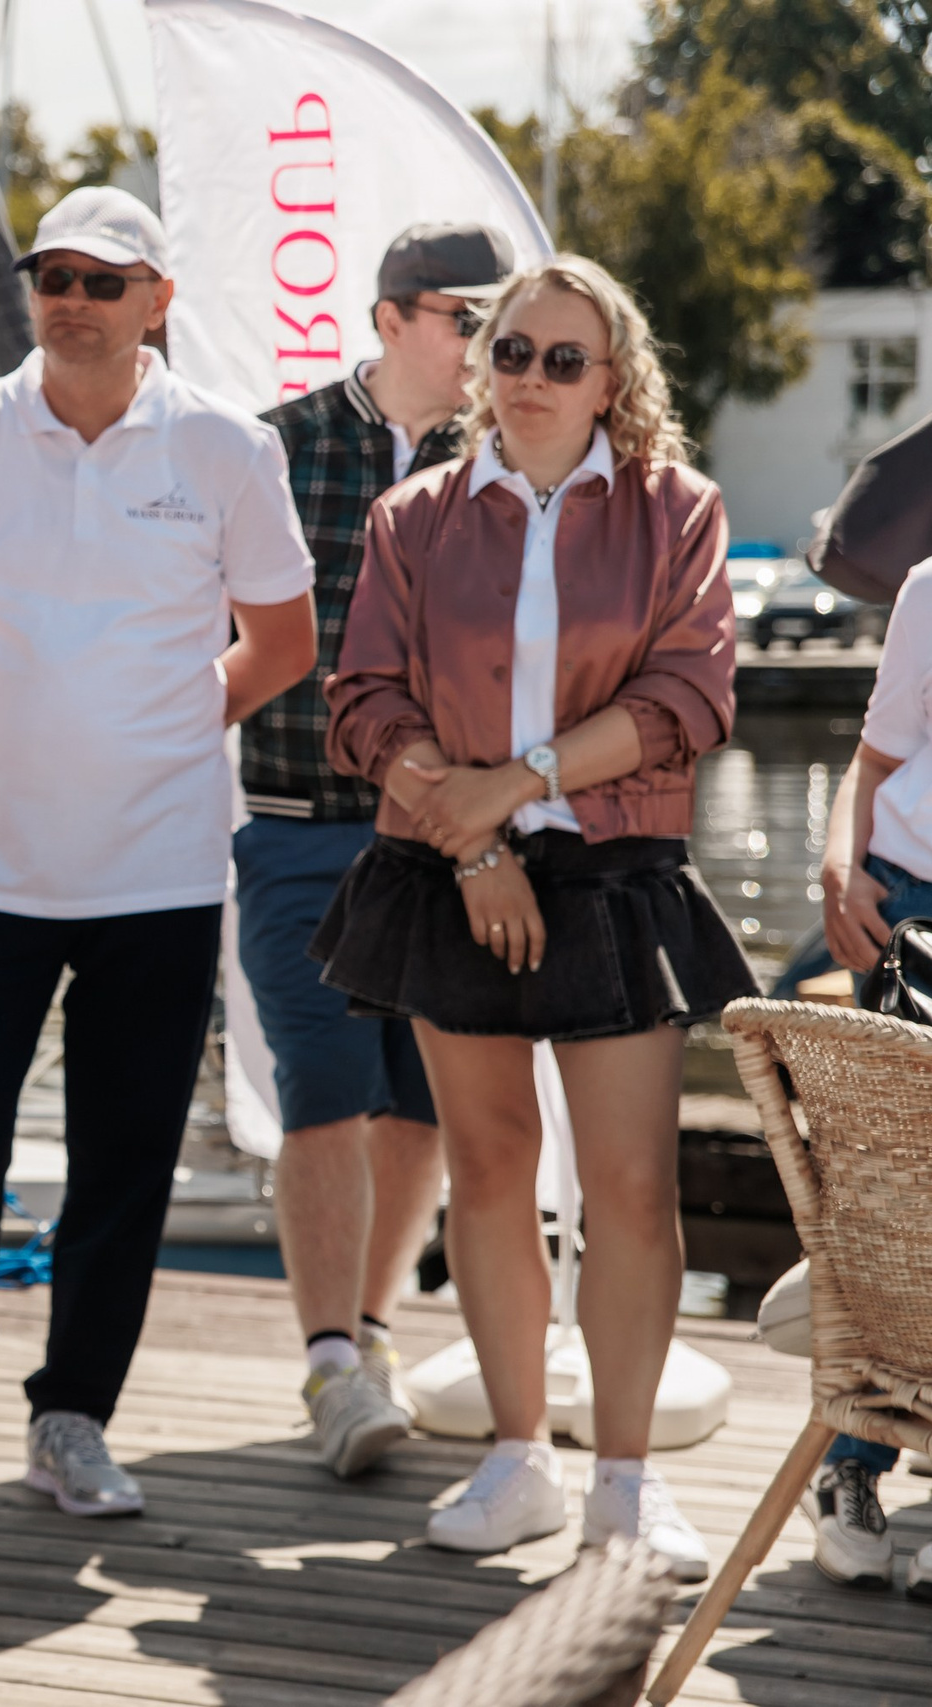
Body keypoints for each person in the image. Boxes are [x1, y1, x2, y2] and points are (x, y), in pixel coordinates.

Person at [0, 186, 319, 1524]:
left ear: (159, 299)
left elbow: (283, 644)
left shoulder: (225, 447)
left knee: (125, 1155)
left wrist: (169, 715)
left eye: (106, 280)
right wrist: (9, 728)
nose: (74, 297)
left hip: (160, 869)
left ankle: (73, 1418)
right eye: (55, 273)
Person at [316, 254, 755, 1579]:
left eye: (565, 359)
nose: (532, 380)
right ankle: (519, 1462)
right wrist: (477, 841)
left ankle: (626, 1485)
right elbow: (364, 702)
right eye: (511, 352)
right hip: (456, 872)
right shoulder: (414, 516)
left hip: (617, 869)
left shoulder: (679, 507)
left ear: (614, 378)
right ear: (475, 366)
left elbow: (691, 695)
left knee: (629, 1184)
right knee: (491, 1170)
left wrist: (523, 784)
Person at [242, 223, 509, 1478]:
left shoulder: (514, 460)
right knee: (322, 1090)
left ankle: (373, 1333)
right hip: (298, 821)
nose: (491, 347)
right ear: (393, 315)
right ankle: (330, 1366)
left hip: (456, 836)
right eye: (469, 318)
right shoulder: (273, 448)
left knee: (419, 1103)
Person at [806, 561, 932, 1599]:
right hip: (906, 905)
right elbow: (875, 756)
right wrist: (837, 867)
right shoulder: (930, 586)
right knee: (884, 1200)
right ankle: (850, 1467)